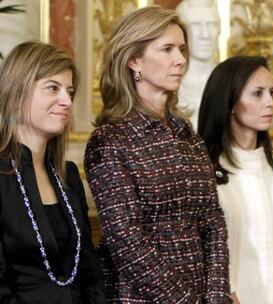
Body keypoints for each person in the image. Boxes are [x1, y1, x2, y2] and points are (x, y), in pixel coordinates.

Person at [84, 6, 231, 303]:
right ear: (134, 60)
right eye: (167, 49)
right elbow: (127, 241)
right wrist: (184, 300)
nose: (180, 60)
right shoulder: (111, 140)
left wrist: (215, 296)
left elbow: (213, 222)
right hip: (139, 297)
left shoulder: (187, 135)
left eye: (181, 49)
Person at [198, 55, 273, 304]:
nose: (271, 102)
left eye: (272, 92)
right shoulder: (203, 172)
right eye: (258, 93)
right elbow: (209, 258)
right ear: (229, 102)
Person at [0, 41, 105, 303]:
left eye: (70, 91)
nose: (67, 101)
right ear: (18, 93)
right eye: (52, 88)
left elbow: (89, 272)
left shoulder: (68, 176)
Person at [176, 0, 220, 128]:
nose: (205, 35)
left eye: (211, 24)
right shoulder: (169, 82)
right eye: (195, 25)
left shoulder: (230, 80)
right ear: (181, 32)